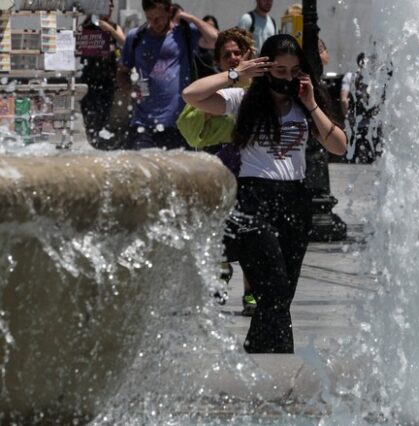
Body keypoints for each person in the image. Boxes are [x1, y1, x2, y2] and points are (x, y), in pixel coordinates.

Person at [182, 34, 347, 353]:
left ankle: (261, 350)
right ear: (265, 69)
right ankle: (278, 354)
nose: (286, 78)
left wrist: (312, 103)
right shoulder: (242, 100)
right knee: (274, 288)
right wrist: (237, 73)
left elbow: (338, 145)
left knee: (282, 294)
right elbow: (192, 95)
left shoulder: (305, 105)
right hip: (255, 201)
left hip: (295, 202)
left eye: (293, 71)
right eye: (279, 70)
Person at [177, 27, 258, 316]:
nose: (233, 58)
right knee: (216, 226)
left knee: (252, 229)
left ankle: (251, 292)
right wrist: (210, 109)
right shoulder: (214, 86)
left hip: (252, 166)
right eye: (227, 55)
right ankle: (220, 271)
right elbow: (188, 129)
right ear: (219, 61)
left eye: (238, 53)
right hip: (217, 163)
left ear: (249, 53)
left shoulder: (261, 87)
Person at [116, 0, 218, 150]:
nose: (153, 23)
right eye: (149, 18)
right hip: (143, 125)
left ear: (170, 11)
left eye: (158, 18)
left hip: (179, 125)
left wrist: (188, 17)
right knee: (143, 171)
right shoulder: (136, 36)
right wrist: (130, 88)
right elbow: (122, 73)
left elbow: (217, 40)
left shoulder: (184, 34)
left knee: (178, 173)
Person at [78, 0, 125, 149]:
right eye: (106, 6)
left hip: (108, 79)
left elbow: (125, 42)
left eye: (111, 7)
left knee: (105, 112)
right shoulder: (87, 25)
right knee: (91, 113)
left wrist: (109, 30)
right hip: (90, 79)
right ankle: (93, 141)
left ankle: (101, 143)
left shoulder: (114, 26)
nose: (109, 10)